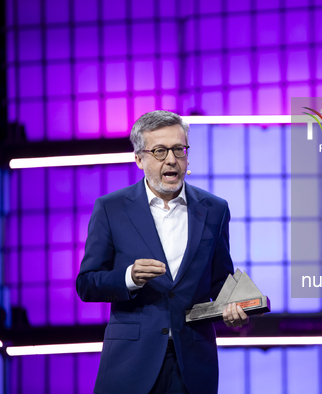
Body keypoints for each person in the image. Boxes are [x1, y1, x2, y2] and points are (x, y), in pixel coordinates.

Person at [76, 110, 249, 394]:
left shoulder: (215, 209)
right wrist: (129, 277)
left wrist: (235, 308)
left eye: (178, 149)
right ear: (139, 159)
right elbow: (87, 284)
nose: (171, 159)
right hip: (130, 364)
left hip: (193, 363)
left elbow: (220, 283)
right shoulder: (111, 208)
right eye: (159, 151)